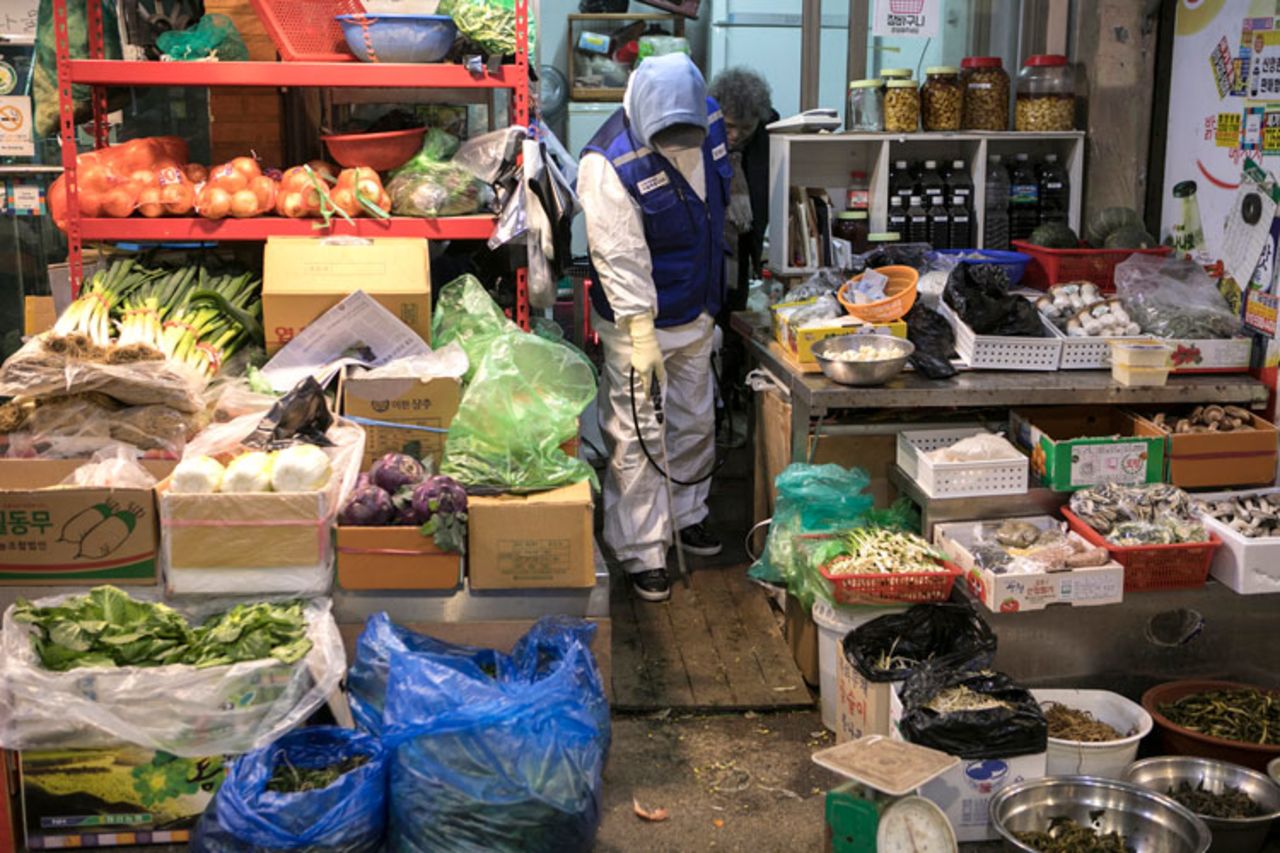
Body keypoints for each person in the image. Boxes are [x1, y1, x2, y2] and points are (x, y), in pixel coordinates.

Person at [578, 54, 731, 603]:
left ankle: (687, 514)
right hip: (638, 323)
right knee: (638, 437)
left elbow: (716, 200)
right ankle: (642, 548)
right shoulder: (607, 164)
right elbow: (620, 259)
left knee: (695, 420)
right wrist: (640, 335)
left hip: (697, 309)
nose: (679, 140)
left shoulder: (707, 119)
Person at [707, 68, 778, 425]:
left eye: (744, 130)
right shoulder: (701, 133)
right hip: (708, 251)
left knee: (734, 325)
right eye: (729, 126)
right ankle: (712, 408)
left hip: (742, 249)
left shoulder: (767, 137)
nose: (734, 136)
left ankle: (730, 397)